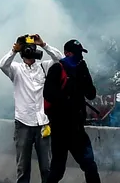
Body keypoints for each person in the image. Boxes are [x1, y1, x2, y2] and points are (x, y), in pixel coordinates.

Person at [0, 34, 63, 183]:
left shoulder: (44, 66)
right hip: (23, 123)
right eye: (26, 49)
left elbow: (61, 60)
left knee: (47, 167)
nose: (29, 51)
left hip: (43, 122)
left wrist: (43, 45)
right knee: (23, 167)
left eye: (32, 48)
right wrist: (14, 50)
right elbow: (2, 65)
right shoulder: (15, 69)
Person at [43, 40, 100, 183]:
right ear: (67, 53)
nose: (80, 57)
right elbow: (48, 94)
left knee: (89, 165)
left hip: (77, 129)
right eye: (77, 54)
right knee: (57, 170)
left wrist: (84, 74)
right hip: (60, 130)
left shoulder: (81, 70)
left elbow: (91, 94)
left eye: (81, 54)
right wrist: (67, 99)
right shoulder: (57, 69)